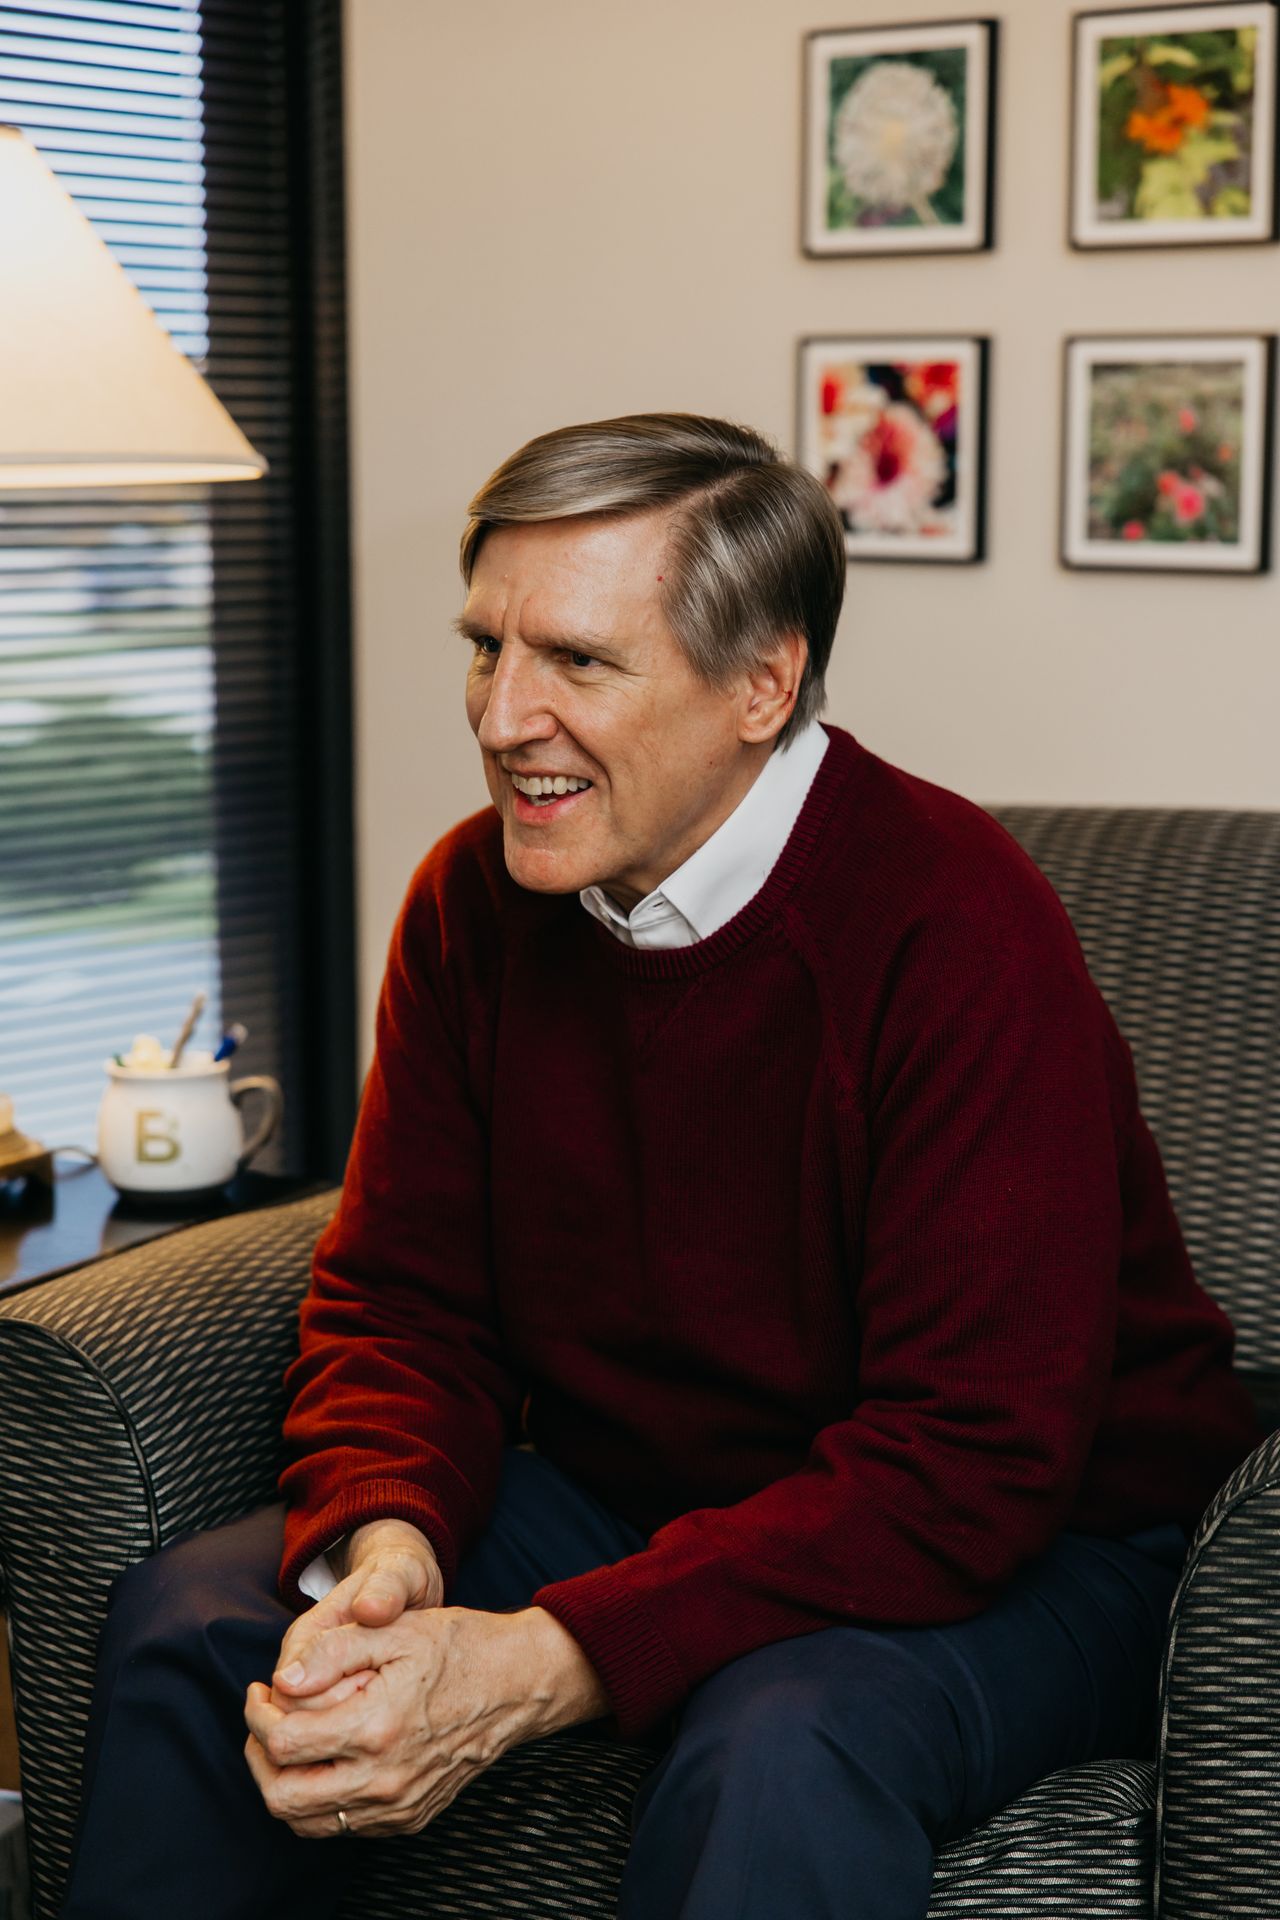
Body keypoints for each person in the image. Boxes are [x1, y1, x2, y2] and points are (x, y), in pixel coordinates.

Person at [63, 414, 1260, 1920]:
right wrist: (391, 1543)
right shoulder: (469, 904)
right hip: (639, 1494)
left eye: (577, 659)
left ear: (762, 685)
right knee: (200, 1624)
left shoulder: (958, 929)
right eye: (486, 648)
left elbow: (970, 1463)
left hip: (1044, 1544)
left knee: (783, 1741)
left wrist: (546, 1659)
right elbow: (404, 1301)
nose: (505, 716)